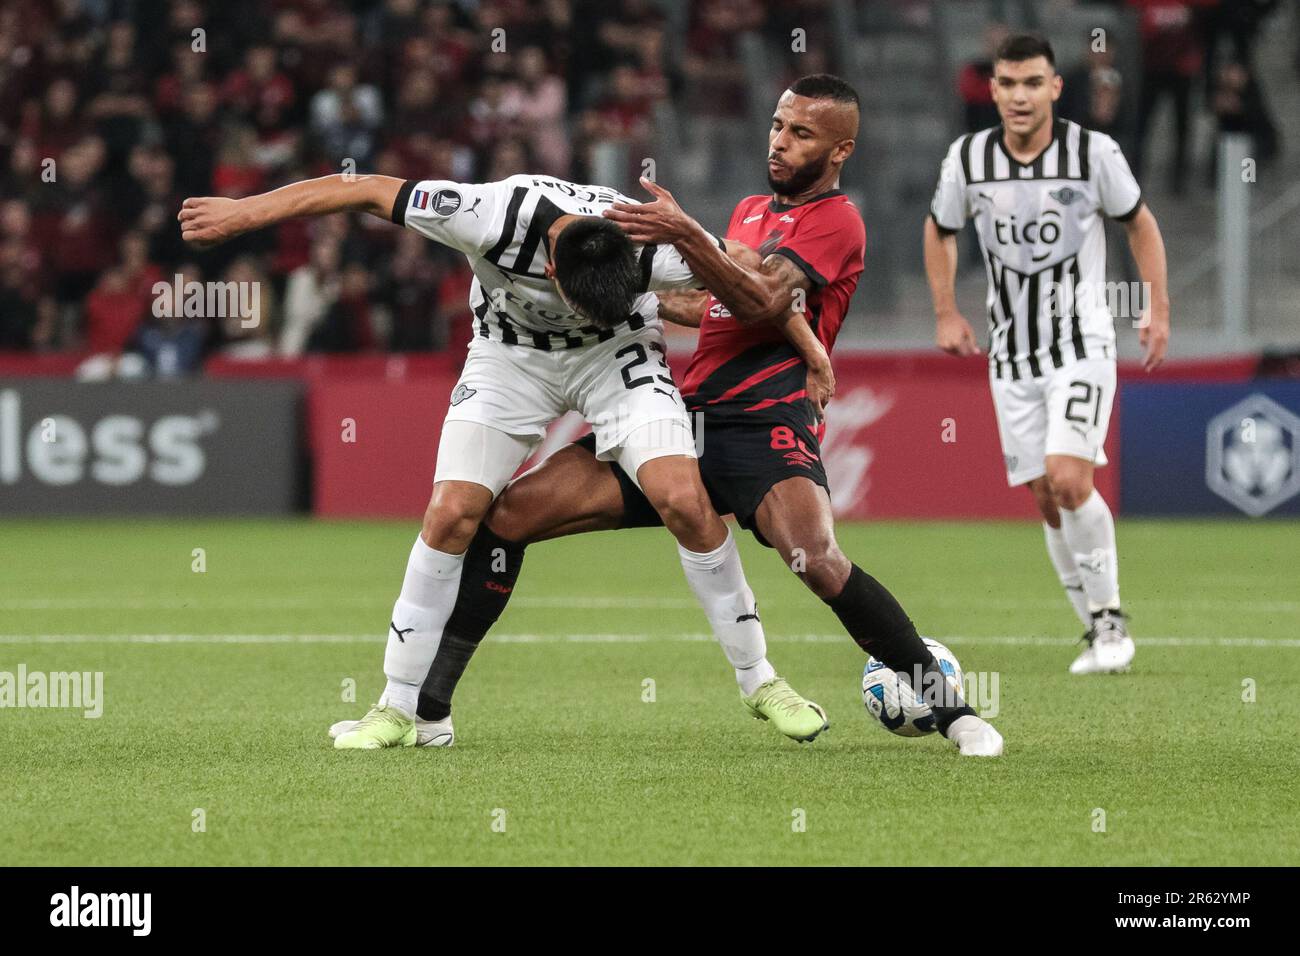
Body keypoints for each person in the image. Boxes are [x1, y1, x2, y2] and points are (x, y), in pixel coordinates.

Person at [368, 75, 1003, 758]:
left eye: (802, 134)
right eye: (778, 126)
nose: (781, 142)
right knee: (507, 518)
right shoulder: (752, 212)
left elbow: (762, 299)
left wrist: (685, 238)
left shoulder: (837, 221)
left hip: (764, 422)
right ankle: (428, 709)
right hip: (688, 414)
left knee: (814, 559)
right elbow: (717, 306)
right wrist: (616, 291)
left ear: (840, 149)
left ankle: (957, 714)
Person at [179, 169, 829, 749]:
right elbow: (363, 189)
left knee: (685, 501)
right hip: (509, 360)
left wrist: (811, 350)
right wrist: (244, 213)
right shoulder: (486, 213)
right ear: (551, 272)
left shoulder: (647, 239)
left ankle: (760, 681)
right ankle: (398, 706)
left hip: (615, 357)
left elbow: (754, 276)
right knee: (451, 514)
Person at [923, 35, 1172, 675]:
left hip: (1082, 343)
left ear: (1056, 88)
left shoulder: (1094, 153)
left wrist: (1155, 307)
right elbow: (940, 228)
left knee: (1068, 478)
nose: (1020, 96)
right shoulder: (969, 158)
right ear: (995, 90)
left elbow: (1139, 222)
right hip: (1010, 356)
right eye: (1008, 83)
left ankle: (1112, 620)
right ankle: (1094, 627)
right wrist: (946, 310)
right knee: (1043, 494)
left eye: (1033, 82)